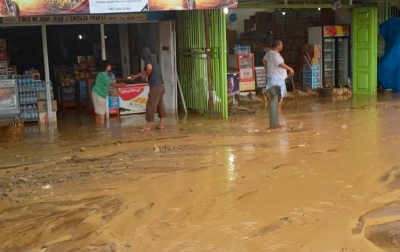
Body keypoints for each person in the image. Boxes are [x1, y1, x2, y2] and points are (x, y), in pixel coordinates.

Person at [262, 40, 294, 111]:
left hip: (271, 77)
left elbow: (263, 61)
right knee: (278, 98)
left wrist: (269, 67)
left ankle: (272, 114)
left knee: (273, 96)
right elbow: (280, 64)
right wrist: (290, 69)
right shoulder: (275, 54)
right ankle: (278, 114)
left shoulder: (269, 53)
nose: (282, 46)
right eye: (281, 45)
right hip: (277, 79)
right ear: (278, 46)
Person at [92, 60, 126, 125]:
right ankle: (102, 131)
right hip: (100, 95)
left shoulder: (100, 74)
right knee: (102, 114)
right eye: (109, 65)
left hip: (96, 93)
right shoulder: (103, 75)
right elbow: (112, 84)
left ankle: (97, 130)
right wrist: (121, 84)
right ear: (105, 66)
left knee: (98, 114)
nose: (110, 66)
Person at [140, 47, 166, 131]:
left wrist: (147, 76)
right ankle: (161, 124)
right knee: (160, 105)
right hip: (161, 86)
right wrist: (135, 76)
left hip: (155, 87)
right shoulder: (154, 60)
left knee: (150, 105)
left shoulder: (147, 59)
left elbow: (149, 68)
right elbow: (145, 71)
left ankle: (148, 125)